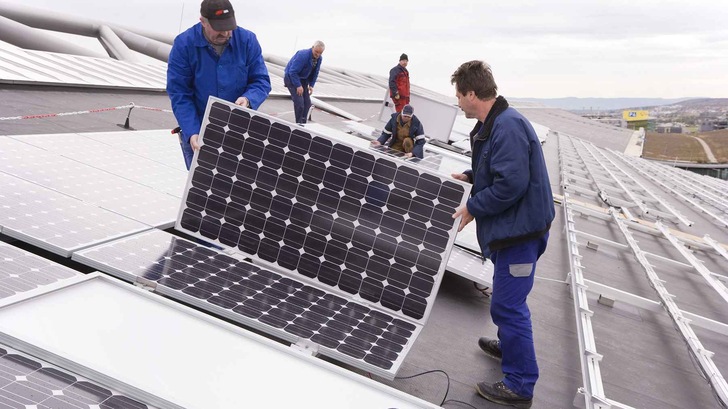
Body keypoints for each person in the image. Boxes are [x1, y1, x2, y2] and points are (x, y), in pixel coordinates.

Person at [450, 60, 554, 409]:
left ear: (472, 93)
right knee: (508, 303)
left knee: (508, 307)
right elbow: (497, 170)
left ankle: (520, 384)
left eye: (459, 95)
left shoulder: (506, 127)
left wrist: (473, 207)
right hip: (515, 229)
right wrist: (471, 176)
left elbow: (511, 184)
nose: (458, 102)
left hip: (520, 235)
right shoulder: (494, 123)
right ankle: (510, 347)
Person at [167, 0, 271, 170]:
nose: (225, 32)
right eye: (218, 28)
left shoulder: (247, 41)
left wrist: (248, 99)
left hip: (238, 133)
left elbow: (261, 81)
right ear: (203, 22)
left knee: (235, 188)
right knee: (201, 189)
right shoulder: (184, 44)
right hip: (199, 131)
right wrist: (192, 131)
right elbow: (180, 93)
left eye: (229, 26)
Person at [284, 41, 325, 124]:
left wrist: (311, 85)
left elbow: (315, 72)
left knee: (307, 104)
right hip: (291, 78)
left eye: (320, 53)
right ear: (312, 47)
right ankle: (298, 124)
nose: (317, 55)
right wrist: (298, 86)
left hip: (303, 80)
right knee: (300, 103)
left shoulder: (319, 59)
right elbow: (293, 72)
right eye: (316, 52)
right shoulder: (303, 55)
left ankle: (303, 123)